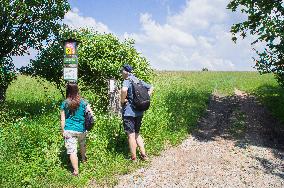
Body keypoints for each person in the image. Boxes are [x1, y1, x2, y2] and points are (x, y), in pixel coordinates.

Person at [120, 64, 154, 161]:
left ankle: (134, 158)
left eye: (122, 71)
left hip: (129, 112)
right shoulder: (137, 80)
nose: (121, 73)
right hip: (139, 111)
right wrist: (146, 97)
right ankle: (144, 155)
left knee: (131, 134)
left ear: (126, 71)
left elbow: (123, 90)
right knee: (137, 133)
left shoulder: (127, 81)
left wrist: (122, 101)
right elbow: (151, 87)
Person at [60, 82, 94, 176]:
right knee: (82, 145)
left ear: (68, 90)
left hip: (69, 130)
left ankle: (76, 171)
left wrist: (63, 131)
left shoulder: (64, 103)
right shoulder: (83, 102)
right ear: (77, 90)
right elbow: (91, 115)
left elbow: (62, 119)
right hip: (81, 129)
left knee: (72, 151)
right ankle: (83, 159)